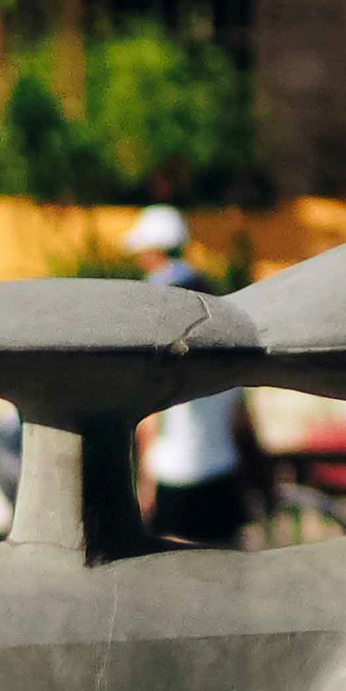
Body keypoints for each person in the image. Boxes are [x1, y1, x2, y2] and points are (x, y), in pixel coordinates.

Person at [128, 204, 250, 548]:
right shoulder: (217, 303)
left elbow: (151, 416)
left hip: (174, 472)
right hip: (222, 466)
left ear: (153, 252)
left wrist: (144, 483)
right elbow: (239, 412)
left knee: (176, 572)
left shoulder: (153, 307)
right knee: (228, 569)